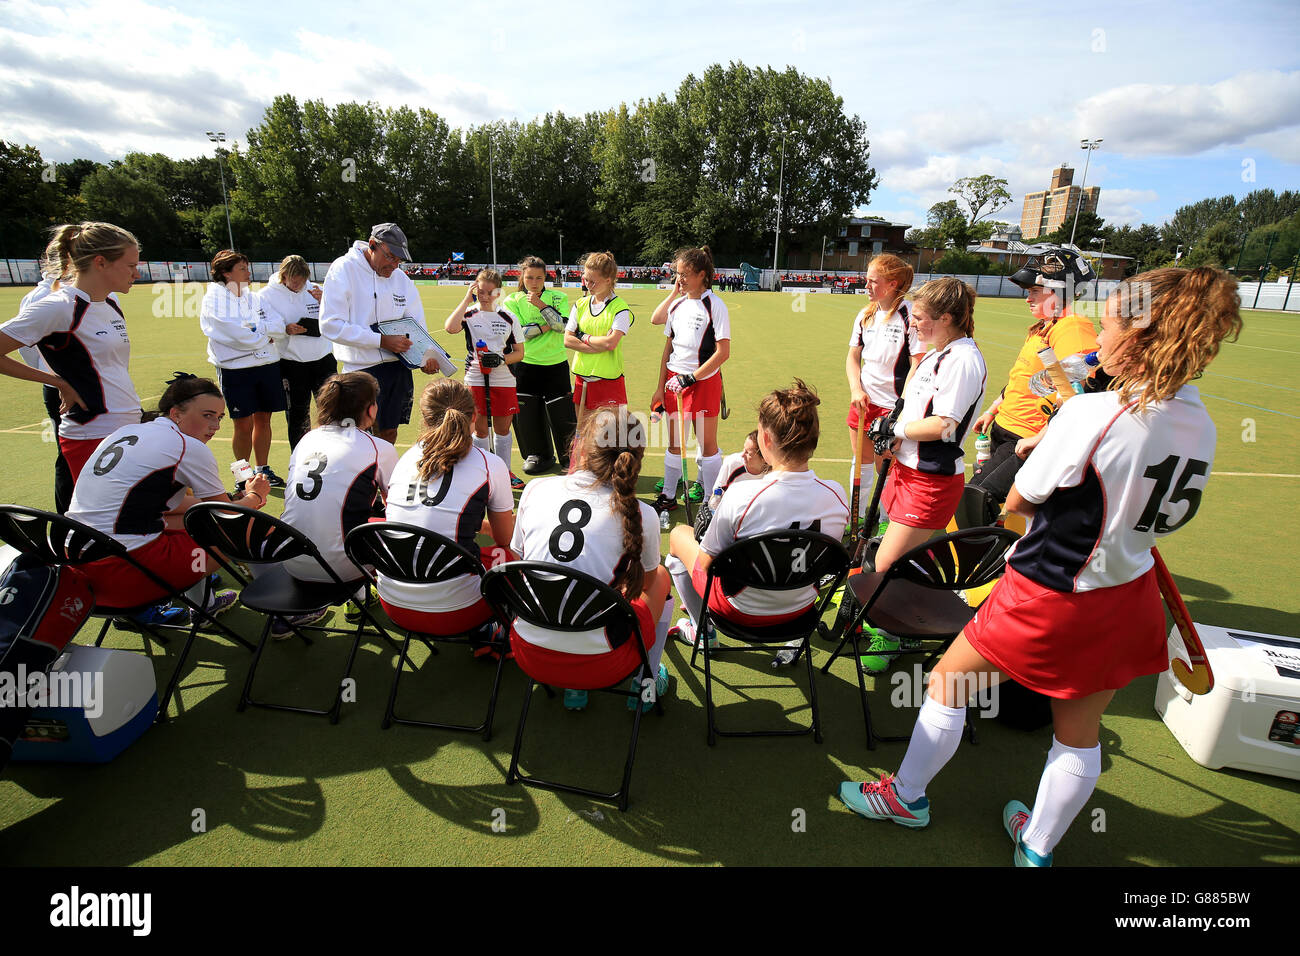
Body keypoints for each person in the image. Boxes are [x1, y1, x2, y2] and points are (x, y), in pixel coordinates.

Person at [838, 267, 1243, 867]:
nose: (1097, 344)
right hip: (1127, 593)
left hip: (1051, 588)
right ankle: (1037, 847)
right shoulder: (1202, 424)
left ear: (1142, 335)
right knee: (1078, 735)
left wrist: (1051, 441)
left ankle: (906, 796)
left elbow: (1020, 501)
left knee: (947, 685)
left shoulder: (1096, 415)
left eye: (1106, 330)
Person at [858, 277, 987, 671]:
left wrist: (893, 430)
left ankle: (891, 635)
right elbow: (915, 412)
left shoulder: (963, 359)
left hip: (930, 481)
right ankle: (901, 620)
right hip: (907, 471)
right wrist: (894, 431)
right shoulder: (937, 353)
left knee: (885, 566)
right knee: (896, 557)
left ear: (946, 318)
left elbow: (945, 425)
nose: (912, 324)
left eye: (919, 317)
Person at [510, 407, 673, 712]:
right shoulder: (642, 513)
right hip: (601, 662)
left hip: (528, 648)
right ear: (634, 458)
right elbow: (646, 585)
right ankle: (644, 681)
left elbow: (522, 561)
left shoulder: (535, 489)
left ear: (581, 446)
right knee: (661, 576)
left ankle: (574, 687)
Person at [66, 374, 264, 624]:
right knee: (242, 529)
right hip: (122, 571)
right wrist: (256, 496)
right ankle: (287, 608)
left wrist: (235, 503)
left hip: (77, 561)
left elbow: (171, 507)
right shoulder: (186, 446)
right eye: (207, 415)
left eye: (219, 417)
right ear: (176, 413)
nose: (215, 425)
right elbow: (227, 515)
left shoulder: (127, 431)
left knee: (193, 521)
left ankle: (206, 604)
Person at [664, 380, 848, 646]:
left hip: (738, 610)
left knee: (680, 535)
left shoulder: (742, 496)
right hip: (801, 609)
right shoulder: (836, 495)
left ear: (766, 439)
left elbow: (705, 564)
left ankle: (701, 631)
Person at [0, 222, 142, 486]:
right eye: (131, 266)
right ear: (101, 262)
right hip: (91, 434)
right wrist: (58, 382)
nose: (137, 274)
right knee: (104, 520)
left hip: (126, 427)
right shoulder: (59, 307)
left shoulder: (110, 303)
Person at [968, 245, 1098, 522]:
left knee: (977, 500)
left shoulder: (1070, 326)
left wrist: (1040, 438)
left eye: (1034, 292)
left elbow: (1080, 392)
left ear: (1060, 291)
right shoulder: (1045, 326)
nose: (1028, 299)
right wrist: (993, 410)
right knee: (980, 503)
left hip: (1025, 438)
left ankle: (993, 560)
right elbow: (1024, 377)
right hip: (1008, 430)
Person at [379, 379, 514, 648]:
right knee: (512, 553)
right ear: (475, 417)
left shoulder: (405, 458)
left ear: (425, 419)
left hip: (393, 604)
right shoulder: (490, 464)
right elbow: (504, 538)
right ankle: (496, 629)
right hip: (458, 611)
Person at [279, 371, 398, 636]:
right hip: (342, 569)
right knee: (386, 519)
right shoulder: (379, 448)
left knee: (344, 510)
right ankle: (370, 595)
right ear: (370, 409)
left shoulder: (308, 438)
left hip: (289, 558)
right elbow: (398, 510)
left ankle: (312, 604)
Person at [318, 223, 443, 446]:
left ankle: (381, 480)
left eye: (399, 260)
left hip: (397, 369)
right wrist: (380, 341)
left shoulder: (401, 279)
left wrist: (424, 357)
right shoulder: (344, 269)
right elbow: (330, 325)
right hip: (359, 371)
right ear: (373, 245)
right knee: (357, 436)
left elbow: (416, 326)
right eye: (391, 257)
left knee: (388, 434)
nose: (395, 265)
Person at [845, 253, 925, 533]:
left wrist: (901, 406)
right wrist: (856, 389)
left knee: (887, 470)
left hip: (893, 408)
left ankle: (884, 523)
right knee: (861, 465)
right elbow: (853, 357)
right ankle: (854, 520)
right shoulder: (865, 314)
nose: (866, 286)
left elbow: (918, 362)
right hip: (864, 403)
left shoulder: (909, 315)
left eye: (872, 281)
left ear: (892, 284)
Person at [649, 246, 731, 516]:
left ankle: (710, 500)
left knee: (707, 445)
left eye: (685, 275)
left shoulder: (715, 305)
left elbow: (723, 352)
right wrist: (660, 387)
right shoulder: (677, 304)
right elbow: (667, 348)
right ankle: (668, 496)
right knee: (674, 443)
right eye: (677, 274)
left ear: (702, 275)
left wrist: (691, 377)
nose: (680, 279)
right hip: (674, 382)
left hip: (703, 382)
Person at [200, 249, 286, 489]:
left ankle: (262, 470)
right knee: (243, 423)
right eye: (242, 269)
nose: (248, 273)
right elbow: (236, 334)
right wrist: (263, 335)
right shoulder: (214, 300)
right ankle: (243, 475)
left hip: (266, 365)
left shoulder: (253, 297)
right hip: (236, 370)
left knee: (264, 419)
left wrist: (257, 330)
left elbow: (277, 325)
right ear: (226, 273)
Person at [444, 269, 526, 488]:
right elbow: (450, 327)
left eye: (490, 292)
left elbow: (519, 353)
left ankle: (503, 472)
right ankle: (482, 472)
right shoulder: (469, 314)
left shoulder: (508, 317)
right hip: (475, 378)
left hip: (503, 379)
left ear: (498, 292)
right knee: (480, 430)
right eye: (480, 291)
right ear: (474, 289)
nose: (485, 296)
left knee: (502, 430)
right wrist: (465, 299)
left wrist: (500, 359)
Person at [500, 255, 575, 475]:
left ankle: (568, 456)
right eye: (530, 277)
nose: (534, 282)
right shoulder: (512, 301)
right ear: (522, 277)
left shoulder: (558, 296)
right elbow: (520, 334)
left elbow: (561, 326)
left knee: (563, 414)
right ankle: (539, 454)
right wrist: (545, 325)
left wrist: (541, 305)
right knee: (527, 414)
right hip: (525, 364)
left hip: (555, 363)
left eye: (539, 278)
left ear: (545, 278)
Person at [258, 255, 337, 450]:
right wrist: (285, 329)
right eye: (294, 281)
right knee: (297, 414)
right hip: (292, 362)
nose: (298, 286)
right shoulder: (266, 296)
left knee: (331, 409)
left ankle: (332, 453)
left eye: (302, 282)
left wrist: (326, 302)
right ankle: (300, 457)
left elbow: (338, 319)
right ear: (283, 276)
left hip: (323, 359)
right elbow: (263, 326)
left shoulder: (315, 290)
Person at [563, 252, 633, 428]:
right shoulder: (580, 304)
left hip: (609, 380)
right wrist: (598, 344)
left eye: (593, 281)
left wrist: (583, 337)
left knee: (611, 439)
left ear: (609, 280)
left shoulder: (620, 308)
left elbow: (611, 343)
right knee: (583, 435)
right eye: (585, 279)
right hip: (582, 378)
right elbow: (567, 340)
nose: (588, 284)